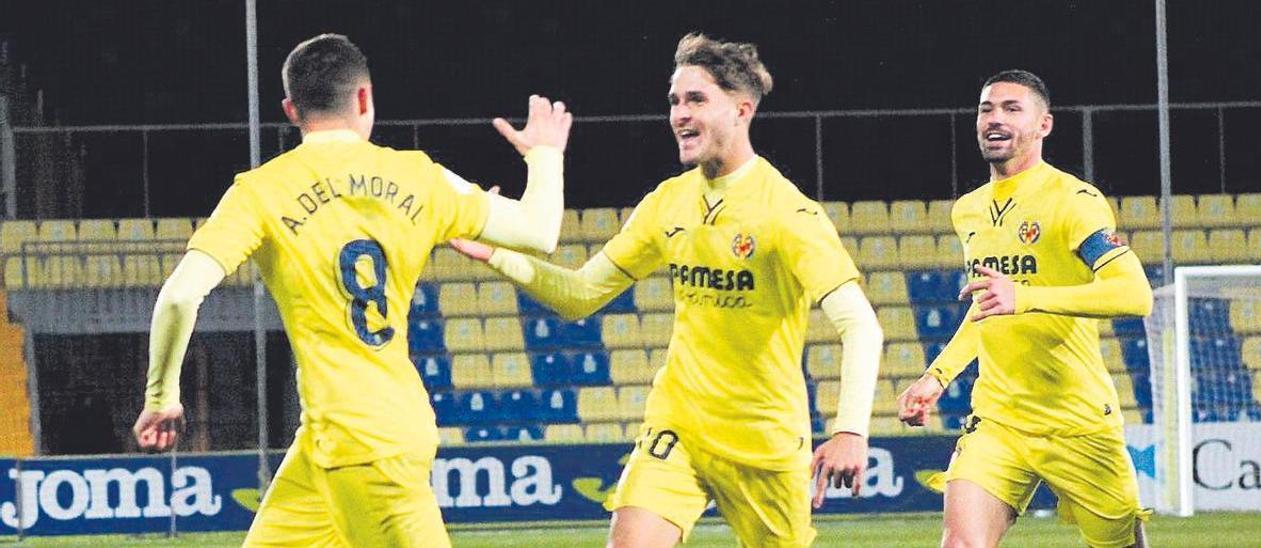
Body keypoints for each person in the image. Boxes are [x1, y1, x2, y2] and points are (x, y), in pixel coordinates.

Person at [130, 33, 572, 547]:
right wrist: (544, 156)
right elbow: (541, 230)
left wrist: (162, 397)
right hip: (334, 440)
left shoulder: (259, 191)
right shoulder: (419, 176)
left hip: (365, 447)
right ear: (364, 98)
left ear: (291, 109)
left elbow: (181, 296)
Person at [449, 33, 883, 547]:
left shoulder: (789, 214)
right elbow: (582, 294)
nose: (679, 113)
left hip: (763, 439)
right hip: (678, 424)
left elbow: (861, 325)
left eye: (696, 99)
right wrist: (499, 255)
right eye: (674, 100)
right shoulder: (667, 203)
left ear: (742, 110)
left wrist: (851, 429)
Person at [897, 70, 1152, 548]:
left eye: (1012, 109)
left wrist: (1027, 296)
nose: (994, 119)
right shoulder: (968, 210)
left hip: (1076, 421)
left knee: (1118, 542)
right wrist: (937, 376)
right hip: (998, 419)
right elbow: (988, 308)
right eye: (986, 108)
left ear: (1044, 125)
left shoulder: (1075, 201)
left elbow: (1135, 295)